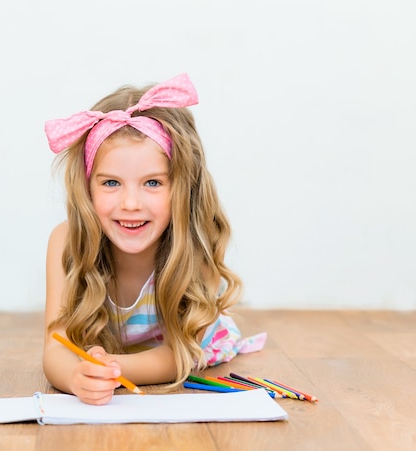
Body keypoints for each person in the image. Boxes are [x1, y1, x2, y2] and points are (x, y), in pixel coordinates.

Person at [43, 73, 266, 405]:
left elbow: (180, 355)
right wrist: (76, 377)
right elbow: (56, 346)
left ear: (182, 186)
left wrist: (114, 368)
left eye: (152, 183)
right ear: (87, 187)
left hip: (188, 349)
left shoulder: (194, 247)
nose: (131, 203)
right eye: (110, 183)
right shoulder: (66, 242)